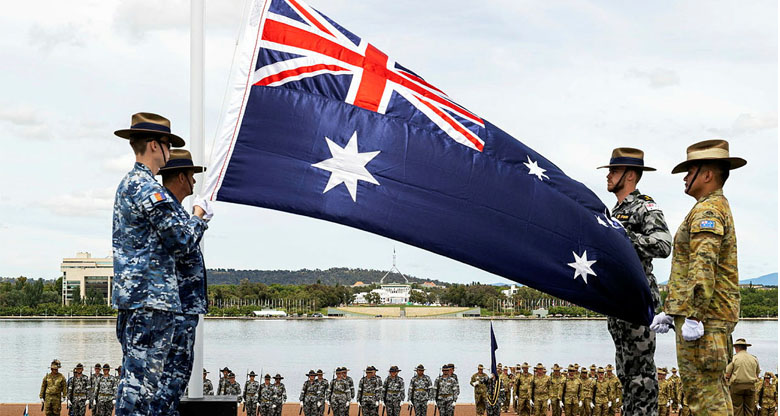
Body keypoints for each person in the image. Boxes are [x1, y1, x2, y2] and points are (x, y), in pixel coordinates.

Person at [111, 112, 211, 415]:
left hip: (143, 298)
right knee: (141, 385)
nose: (169, 152)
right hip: (151, 299)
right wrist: (198, 216)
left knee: (140, 382)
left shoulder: (134, 184)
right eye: (167, 144)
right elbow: (180, 241)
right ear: (155, 145)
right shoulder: (146, 187)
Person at [652, 139, 746, 415]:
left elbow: (704, 266)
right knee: (710, 394)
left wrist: (693, 315)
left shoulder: (708, 210)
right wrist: (672, 311)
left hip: (706, 320)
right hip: (706, 318)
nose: (684, 177)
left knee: (705, 398)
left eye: (690, 170)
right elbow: (689, 268)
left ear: (706, 175)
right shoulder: (709, 207)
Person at [599, 147, 672, 416]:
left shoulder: (644, 207)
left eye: (614, 171)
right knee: (625, 373)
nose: (608, 176)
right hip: (617, 302)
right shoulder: (612, 212)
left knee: (641, 375)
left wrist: (625, 238)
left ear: (630, 175)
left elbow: (664, 245)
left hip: (638, 302)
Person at [151, 149, 210, 413]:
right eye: (192, 176)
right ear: (182, 177)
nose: (195, 182)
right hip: (176, 309)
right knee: (171, 378)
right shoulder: (168, 210)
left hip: (183, 308)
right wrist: (197, 217)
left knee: (178, 376)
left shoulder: (173, 211)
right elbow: (182, 245)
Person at [725, 338, 761, 416]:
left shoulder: (734, 358)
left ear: (736, 348)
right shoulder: (754, 358)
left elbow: (727, 374)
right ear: (745, 347)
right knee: (750, 409)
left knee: (737, 409)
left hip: (737, 387)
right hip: (751, 387)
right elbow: (757, 374)